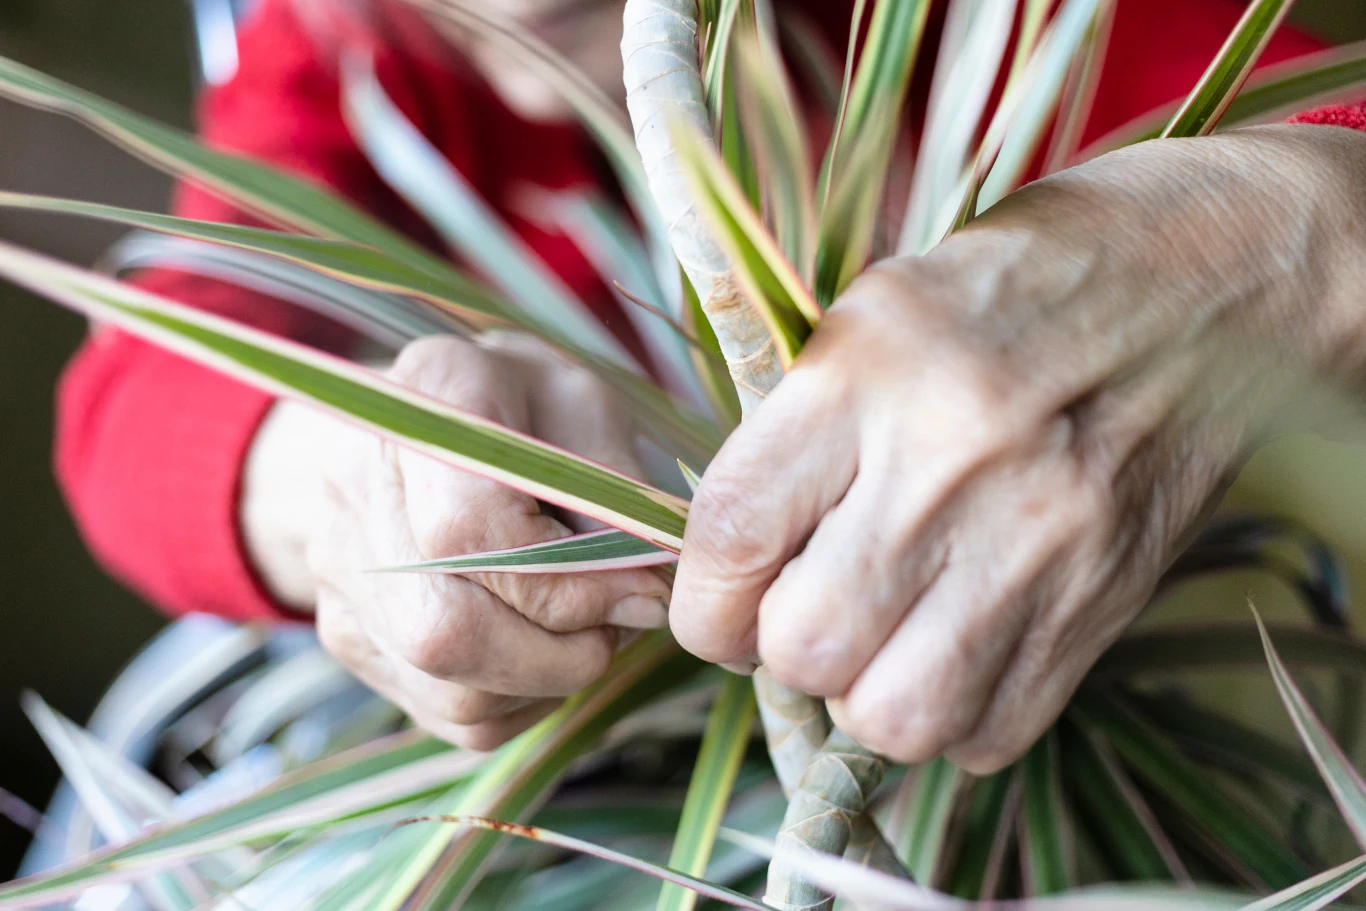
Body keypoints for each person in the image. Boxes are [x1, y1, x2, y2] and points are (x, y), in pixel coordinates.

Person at [52, 0, 1364, 768]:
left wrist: (1273, 234)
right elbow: (138, 399)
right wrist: (335, 480)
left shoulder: (974, 30)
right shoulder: (348, 65)